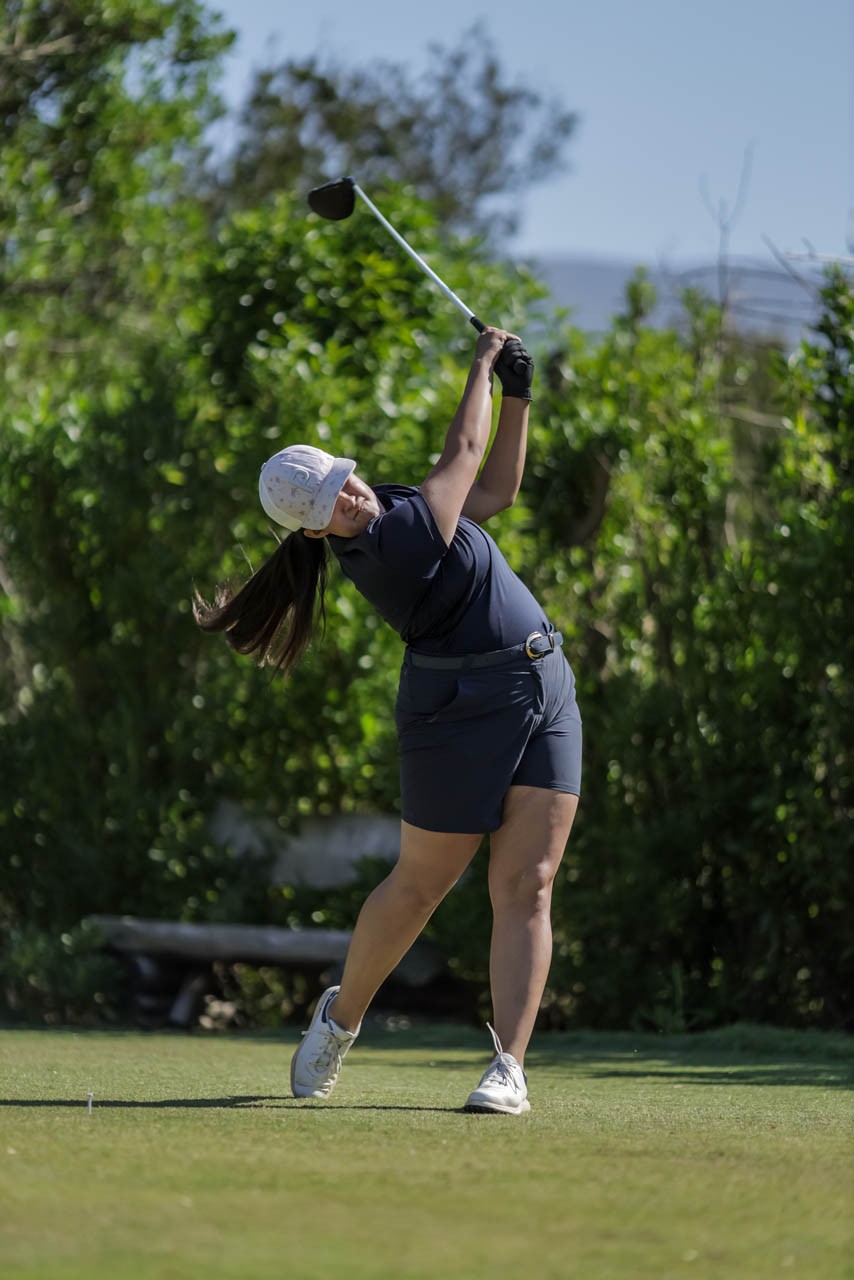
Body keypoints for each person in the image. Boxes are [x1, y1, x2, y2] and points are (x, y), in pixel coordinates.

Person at [195, 327, 582, 1115]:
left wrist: (518, 394)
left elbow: (494, 492)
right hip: (456, 709)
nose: (349, 498)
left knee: (530, 883)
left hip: (544, 685)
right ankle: (340, 1021)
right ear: (314, 532)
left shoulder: (395, 504)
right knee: (420, 887)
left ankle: (508, 1066)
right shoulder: (392, 545)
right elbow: (462, 452)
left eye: (342, 482)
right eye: (328, 506)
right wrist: (481, 365)